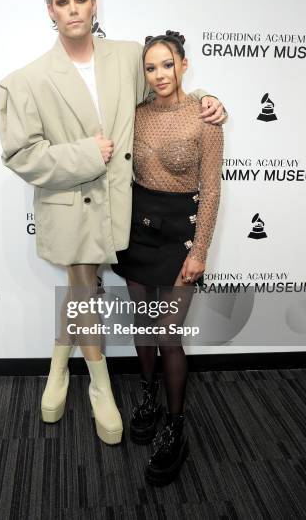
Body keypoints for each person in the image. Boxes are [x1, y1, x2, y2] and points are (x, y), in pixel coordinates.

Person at [0, 0, 226, 446]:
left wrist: (207, 98)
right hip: (71, 201)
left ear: (94, 4)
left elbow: (168, 88)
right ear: (50, 10)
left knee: (84, 293)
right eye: (63, 2)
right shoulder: (28, 79)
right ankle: (97, 384)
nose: (73, 9)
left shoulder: (125, 55)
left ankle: (59, 360)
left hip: (127, 209)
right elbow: (20, 154)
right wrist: (85, 155)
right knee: (83, 288)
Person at [111, 31, 223, 484]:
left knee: (169, 334)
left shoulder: (205, 117)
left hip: (181, 235)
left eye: (167, 64)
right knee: (143, 327)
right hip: (136, 231)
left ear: (184, 64)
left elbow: (212, 190)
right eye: (151, 67)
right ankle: (149, 396)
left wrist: (200, 251)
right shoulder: (134, 116)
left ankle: (175, 426)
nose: (159, 74)